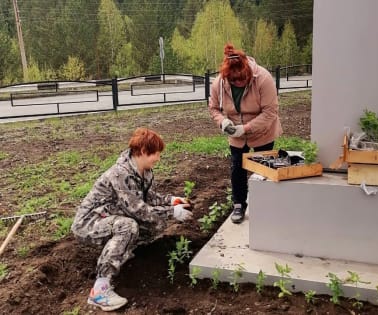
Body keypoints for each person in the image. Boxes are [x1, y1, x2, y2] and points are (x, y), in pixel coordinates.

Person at [71, 127, 192, 311]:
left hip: (110, 215)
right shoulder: (121, 174)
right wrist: (172, 212)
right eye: (156, 154)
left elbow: (149, 197)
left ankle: (123, 251)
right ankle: (100, 290)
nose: (158, 158)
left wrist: (171, 200)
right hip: (90, 222)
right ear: (143, 152)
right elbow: (139, 210)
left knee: (154, 224)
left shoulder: (144, 171)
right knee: (128, 226)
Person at [209, 43, 283, 224]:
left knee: (263, 168)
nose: (239, 83)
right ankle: (239, 204)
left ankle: (266, 205)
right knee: (237, 167)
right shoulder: (219, 83)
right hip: (236, 132)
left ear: (248, 72)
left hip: (262, 130)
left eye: (242, 79)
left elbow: (270, 112)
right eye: (234, 81)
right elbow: (213, 108)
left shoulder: (263, 78)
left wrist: (247, 128)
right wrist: (223, 122)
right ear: (227, 77)